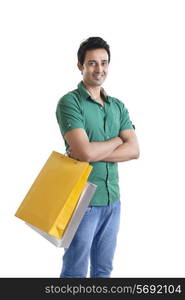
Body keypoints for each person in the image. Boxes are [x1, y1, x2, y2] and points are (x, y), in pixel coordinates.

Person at [56, 37, 140, 278]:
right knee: (75, 272)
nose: (99, 69)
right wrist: (117, 140)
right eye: (92, 63)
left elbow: (134, 150)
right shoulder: (69, 103)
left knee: (103, 271)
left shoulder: (117, 106)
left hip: (113, 200)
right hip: (83, 201)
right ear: (80, 66)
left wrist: (95, 151)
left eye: (104, 63)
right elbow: (85, 153)